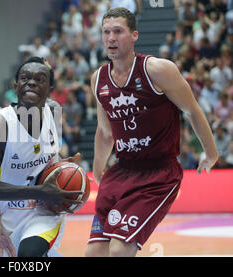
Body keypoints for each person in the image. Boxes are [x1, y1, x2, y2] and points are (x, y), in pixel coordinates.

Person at [85, 8, 218, 257]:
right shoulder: (98, 79)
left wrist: (210, 153)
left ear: (134, 35)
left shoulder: (157, 69)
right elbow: (104, 132)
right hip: (121, 171)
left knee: (119, 251)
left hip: (157, 175)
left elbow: (193, 111)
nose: (111, 38)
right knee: (95, 253)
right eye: (106, 32)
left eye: (118, 31)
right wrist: (98, 167)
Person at [0, 56, 82, 257]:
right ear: (15, 85)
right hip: (9, 218)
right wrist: (39, 191)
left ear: (50, 88)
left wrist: (63, 164)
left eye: (40, 79)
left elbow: (51, 154)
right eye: (25, 77)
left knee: (29, 255)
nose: (31, 82)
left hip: (45, 212)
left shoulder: (53, 110)